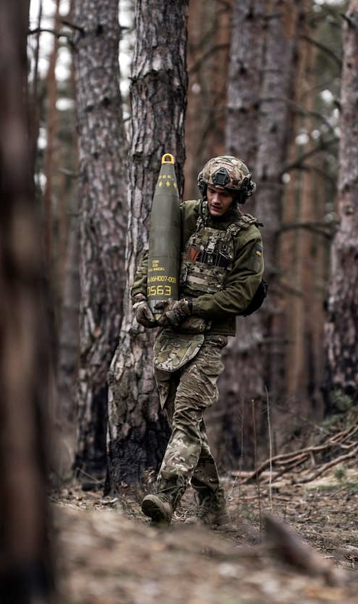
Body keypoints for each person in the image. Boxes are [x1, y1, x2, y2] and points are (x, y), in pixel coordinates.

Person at [130, 155, 265, 527]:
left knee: (187, 416)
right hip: (171, 334)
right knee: (182, 423)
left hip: (209, 336)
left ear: (238, 197)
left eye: (225, 193)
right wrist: (141, 298)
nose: (217, 199)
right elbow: (154, 257)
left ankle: (166, 496)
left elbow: (240, 294)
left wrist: (190, 306)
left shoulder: (247, 236)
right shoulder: (186, 215)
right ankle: (213, 503)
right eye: (212, 190)